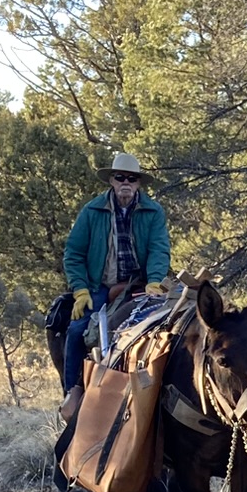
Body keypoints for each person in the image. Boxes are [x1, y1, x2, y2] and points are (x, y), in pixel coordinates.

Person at [59, 151, 172, 421]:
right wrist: (81, 290)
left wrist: (155, 280)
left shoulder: (153, 212)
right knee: (76, 331)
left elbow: (159, 249)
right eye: (120, 177)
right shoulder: (92, 211)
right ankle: (72, 393)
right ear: (111, 180)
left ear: (138, 184)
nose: (126, 183)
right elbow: (73, 253)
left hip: (141, 284)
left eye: (132, 179)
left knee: (167, 331)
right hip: (101, 285)